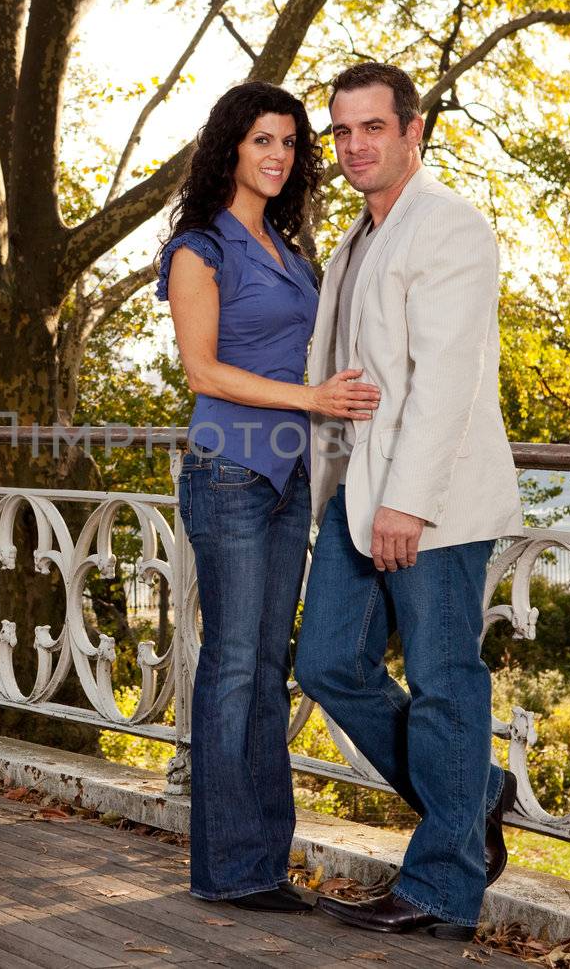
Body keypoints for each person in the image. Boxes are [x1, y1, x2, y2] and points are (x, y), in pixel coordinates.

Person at [295, 62, 523, 940]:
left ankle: (441, 887)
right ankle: (474, 793)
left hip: (429, 504)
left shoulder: (450, 227)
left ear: (412, 129)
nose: (355, 146)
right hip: (358, 492)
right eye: (342, 132)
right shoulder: (357, 239)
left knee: (442, 682)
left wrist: (409, 502)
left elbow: (446, 381)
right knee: (326, 664)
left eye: (372, 128)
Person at [158, 81, 380, 912]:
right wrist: (313, 401)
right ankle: (228, 869)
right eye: (262, 141)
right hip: (229, 473)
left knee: (268, 667)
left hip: (290, 480)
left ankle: (262, 862)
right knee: (232, 666)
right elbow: (203, 371)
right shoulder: (199, 248)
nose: (279, 155)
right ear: (230, 148)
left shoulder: (292, 249)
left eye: (289, 142)